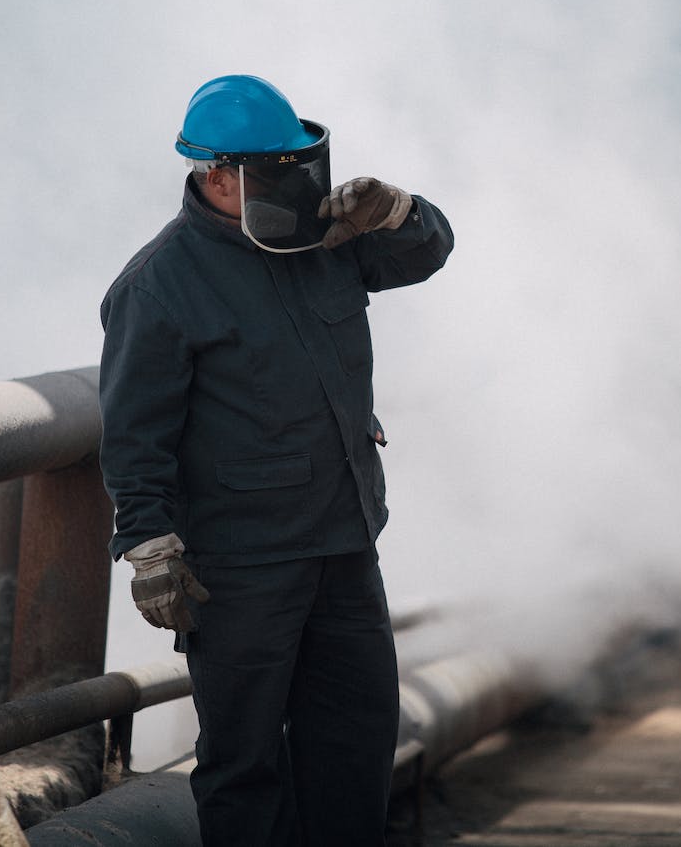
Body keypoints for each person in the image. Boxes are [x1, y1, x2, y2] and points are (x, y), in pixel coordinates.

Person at [98, 74, 454, 845]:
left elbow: (430, 252)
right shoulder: (158, 285)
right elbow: (134, 433)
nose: (295, 181)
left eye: (299, 163)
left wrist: (397, 211)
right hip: (241, 569)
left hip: (345, 548)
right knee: (244, 765)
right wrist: (149, 545)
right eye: (275, 168)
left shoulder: (325, 242)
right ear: (217, 174)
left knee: (355, 750)